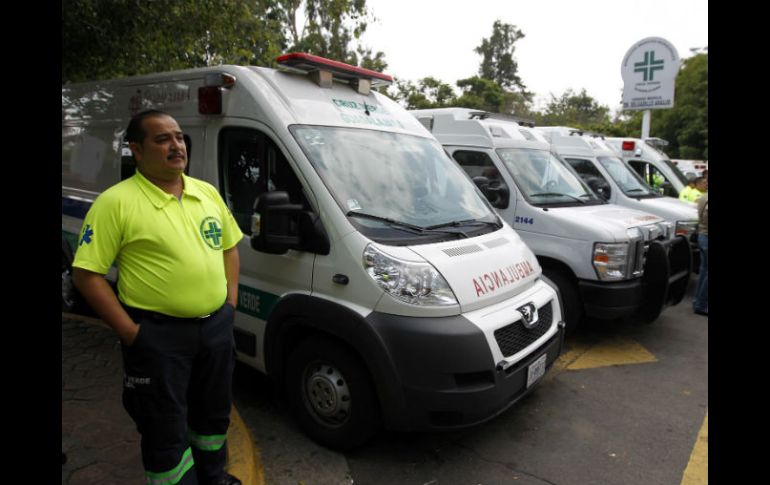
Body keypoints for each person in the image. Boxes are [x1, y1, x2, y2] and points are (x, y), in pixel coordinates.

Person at [72, 110, 243, 485]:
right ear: (136, 149)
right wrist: (132, 333)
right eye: (162, 139)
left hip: (215, 329)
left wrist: (229, 304)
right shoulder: (116, 202)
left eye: (179, 137)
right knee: (163, 425)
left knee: (213, 416)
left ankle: (214, 478)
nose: (176, 146)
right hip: (158, 337)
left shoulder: (206, 193)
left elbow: (230, 247)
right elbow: (86, 275)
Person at [693, 191, 708, 316]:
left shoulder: (703, 197)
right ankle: (701, 305)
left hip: (702, 235)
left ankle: (697, 302)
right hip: (707, 237)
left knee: (704, 271)